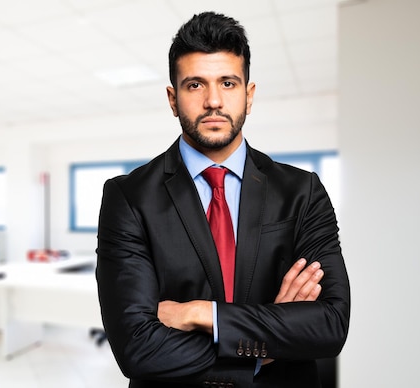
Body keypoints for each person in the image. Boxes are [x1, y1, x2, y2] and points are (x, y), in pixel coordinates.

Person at [96, 11, 350, 388]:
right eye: (195, 85)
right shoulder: (129, 197)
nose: (213, 101)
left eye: (228, 83)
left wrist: (203, 314)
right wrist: (267, 343)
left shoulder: (302, 191)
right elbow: (136, 347)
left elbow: (330, 324)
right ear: (172, 98)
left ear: (248, 95)